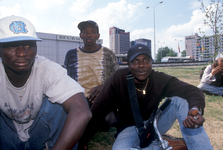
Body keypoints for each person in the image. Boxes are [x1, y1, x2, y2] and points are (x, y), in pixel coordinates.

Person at [78, 44, 213, 150]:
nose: (141, 65)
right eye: (136, 61)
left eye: (146, 60)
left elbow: (192, 90)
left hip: (154, 123)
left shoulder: (158, 78)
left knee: (180, 100)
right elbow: (98, 110)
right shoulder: (118, 78)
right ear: (129, 64)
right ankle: (164, 145)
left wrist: (196, 110)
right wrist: (82, 138)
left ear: (151, 62)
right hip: (129, 128)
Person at [0, 15, 92, 150]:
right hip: (7, 135)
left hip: (38, 134)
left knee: (61, 105)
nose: (21, 53)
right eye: (12, 45)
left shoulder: (47, 69)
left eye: (28, 45)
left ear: (36, 48)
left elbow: (82, 111)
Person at [64, 20, 119, 105]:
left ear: (98, 36)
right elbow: (65, 79)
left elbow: (117, 78)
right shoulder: (71, 54)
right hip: (77, 100)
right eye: (85, 32)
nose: (89, 35)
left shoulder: (108, 53)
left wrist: (104, 87)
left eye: (93, 32)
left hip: (103, 98)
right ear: (80, 35)